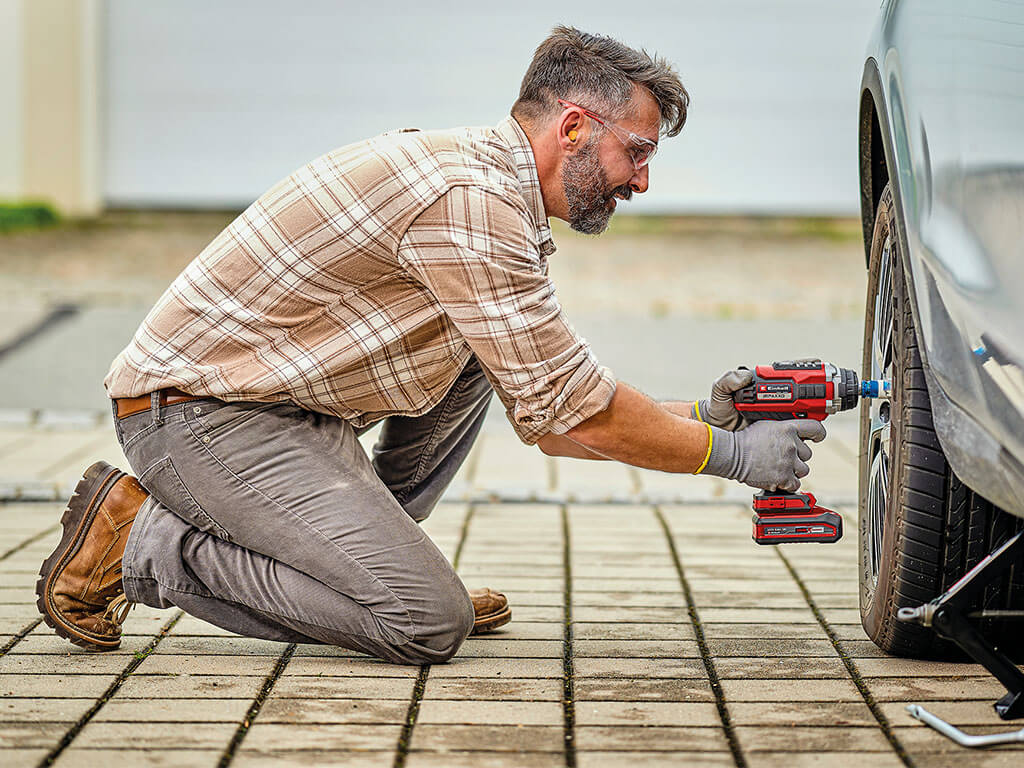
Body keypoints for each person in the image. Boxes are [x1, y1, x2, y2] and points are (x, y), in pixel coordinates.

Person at [35, 26, 824, 664]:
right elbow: (575, 414)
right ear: (575, 127)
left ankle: (376, 570)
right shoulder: (472, 202)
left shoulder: (489, 189)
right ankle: (140, 538)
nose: (642, 181)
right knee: (423, 621)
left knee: (494, 358)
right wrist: (728, 457)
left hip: (277, 413)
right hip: (198, 420)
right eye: (639, 152)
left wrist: (704, 418)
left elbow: (549, 404)